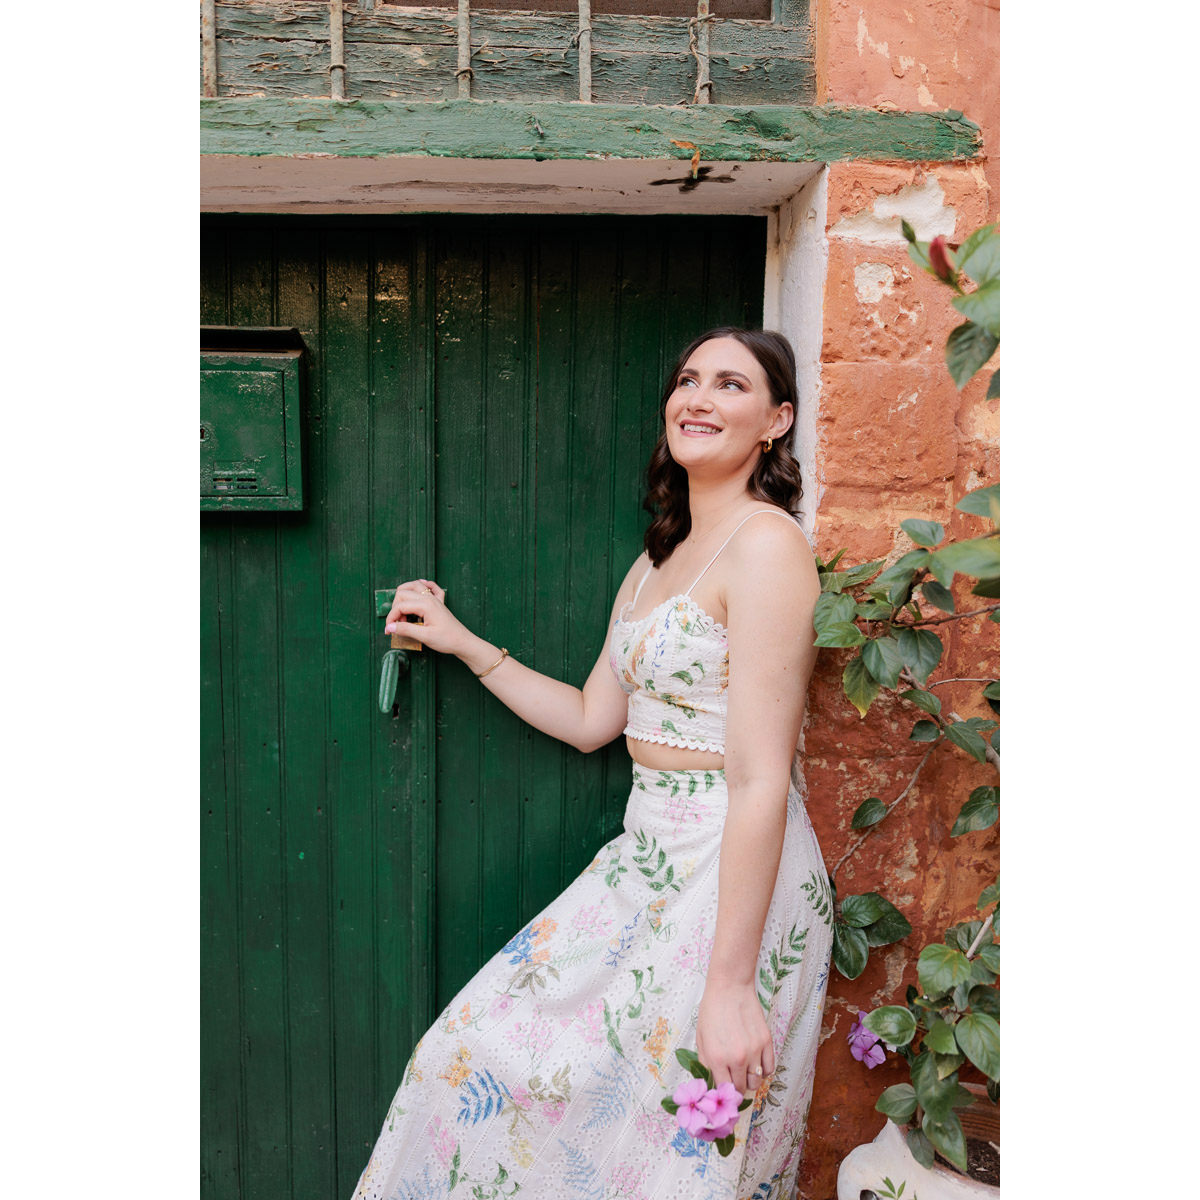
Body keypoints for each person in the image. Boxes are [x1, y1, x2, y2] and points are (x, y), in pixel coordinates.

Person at [354, 327, 832, 1200]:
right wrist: (463, 645)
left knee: (681, 1156)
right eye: (688, 380)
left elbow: (761, 777)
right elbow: (588, 720)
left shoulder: (768, 547)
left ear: (777, 420)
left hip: (729, 868)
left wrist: (729, 988)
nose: (698, 398)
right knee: (469, 1058)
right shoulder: (659, 558)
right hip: (648, 856)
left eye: (731, 385)